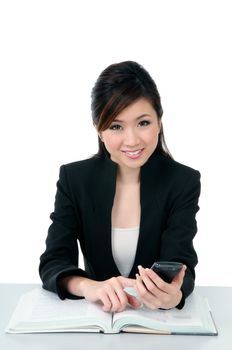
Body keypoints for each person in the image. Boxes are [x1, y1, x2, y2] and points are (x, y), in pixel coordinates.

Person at [39, 61, 201, 313]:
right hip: (95, 319)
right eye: (116, 126)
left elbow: (181, 263)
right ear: (99, 129)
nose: (132, 140)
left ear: (159, 122)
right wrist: (88, 286)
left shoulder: (182, 181)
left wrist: (175, 295)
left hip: (155, 324)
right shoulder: (75, 179)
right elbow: (54, 261)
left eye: (143, 123)